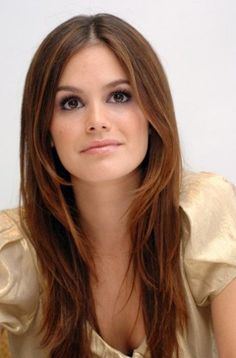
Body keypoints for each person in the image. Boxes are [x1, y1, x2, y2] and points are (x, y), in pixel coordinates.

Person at [0, 13, 236, 358]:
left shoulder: (205, 211)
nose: (97, 121)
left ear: (152, 113)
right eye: (71, 103)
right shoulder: (13, 253)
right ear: (45, 130)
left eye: (120, 96)